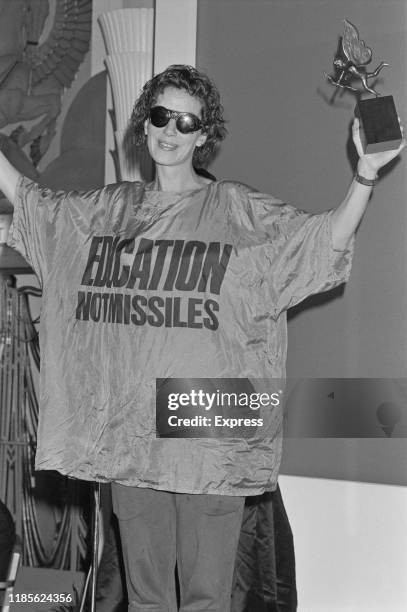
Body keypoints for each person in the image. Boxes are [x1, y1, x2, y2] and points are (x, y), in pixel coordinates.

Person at [0, 64, 404, 612]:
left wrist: (365, 177)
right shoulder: (106, 212)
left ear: (204, 136)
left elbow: (319, 242)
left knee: (206, 600)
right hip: (128, 430)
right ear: (144, 124)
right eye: (162, 115)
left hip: (206, 425)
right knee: (146, 600)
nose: (171, 130)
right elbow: (27, 200)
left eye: (186, 121)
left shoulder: (236, 210)